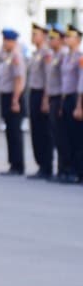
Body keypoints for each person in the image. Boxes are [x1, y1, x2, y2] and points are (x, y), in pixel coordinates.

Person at [0, 28, 26, 177]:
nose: (3, 43)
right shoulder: (6, 55)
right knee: (9, 131)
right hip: (6, 96)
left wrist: (15, 100)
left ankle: (18, 165)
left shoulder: (16, 56)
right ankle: (13, 163)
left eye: (6, 41)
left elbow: (19, 80)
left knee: (15, 133)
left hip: (14, 97)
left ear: (12, 41)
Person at [27, 22, 53, 180]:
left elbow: (49, 78)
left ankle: (46, 165)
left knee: (44, 131)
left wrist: (45, 99)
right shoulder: (36, 53)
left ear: (43, 36)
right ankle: (41, 165)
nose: (32, 37)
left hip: (42, 94)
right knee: (36, 130)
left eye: (35, 34)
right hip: (34, 93)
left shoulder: (46, 54)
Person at [43, 26, 67, 181]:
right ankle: (60, 169)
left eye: (53, 38)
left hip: (60, 98)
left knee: (62, 137)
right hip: (53, 97)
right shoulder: (55, 55)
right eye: (49, 38)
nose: (50, 40)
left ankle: (64, 169)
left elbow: (66, 81)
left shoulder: (64, 55)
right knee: (56, 136)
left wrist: (63, 103)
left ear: (61, 39)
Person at [63, 25, 83, 185]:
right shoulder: (66, 57)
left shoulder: (80, 58)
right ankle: (71, 169)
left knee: (78, 138)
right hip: (67, 98)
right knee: (68, 136)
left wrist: (79, 105)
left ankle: (78, 172)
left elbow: (81, 84)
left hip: (76, 99)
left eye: (70, 36)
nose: (66, 39)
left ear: (77, 40)